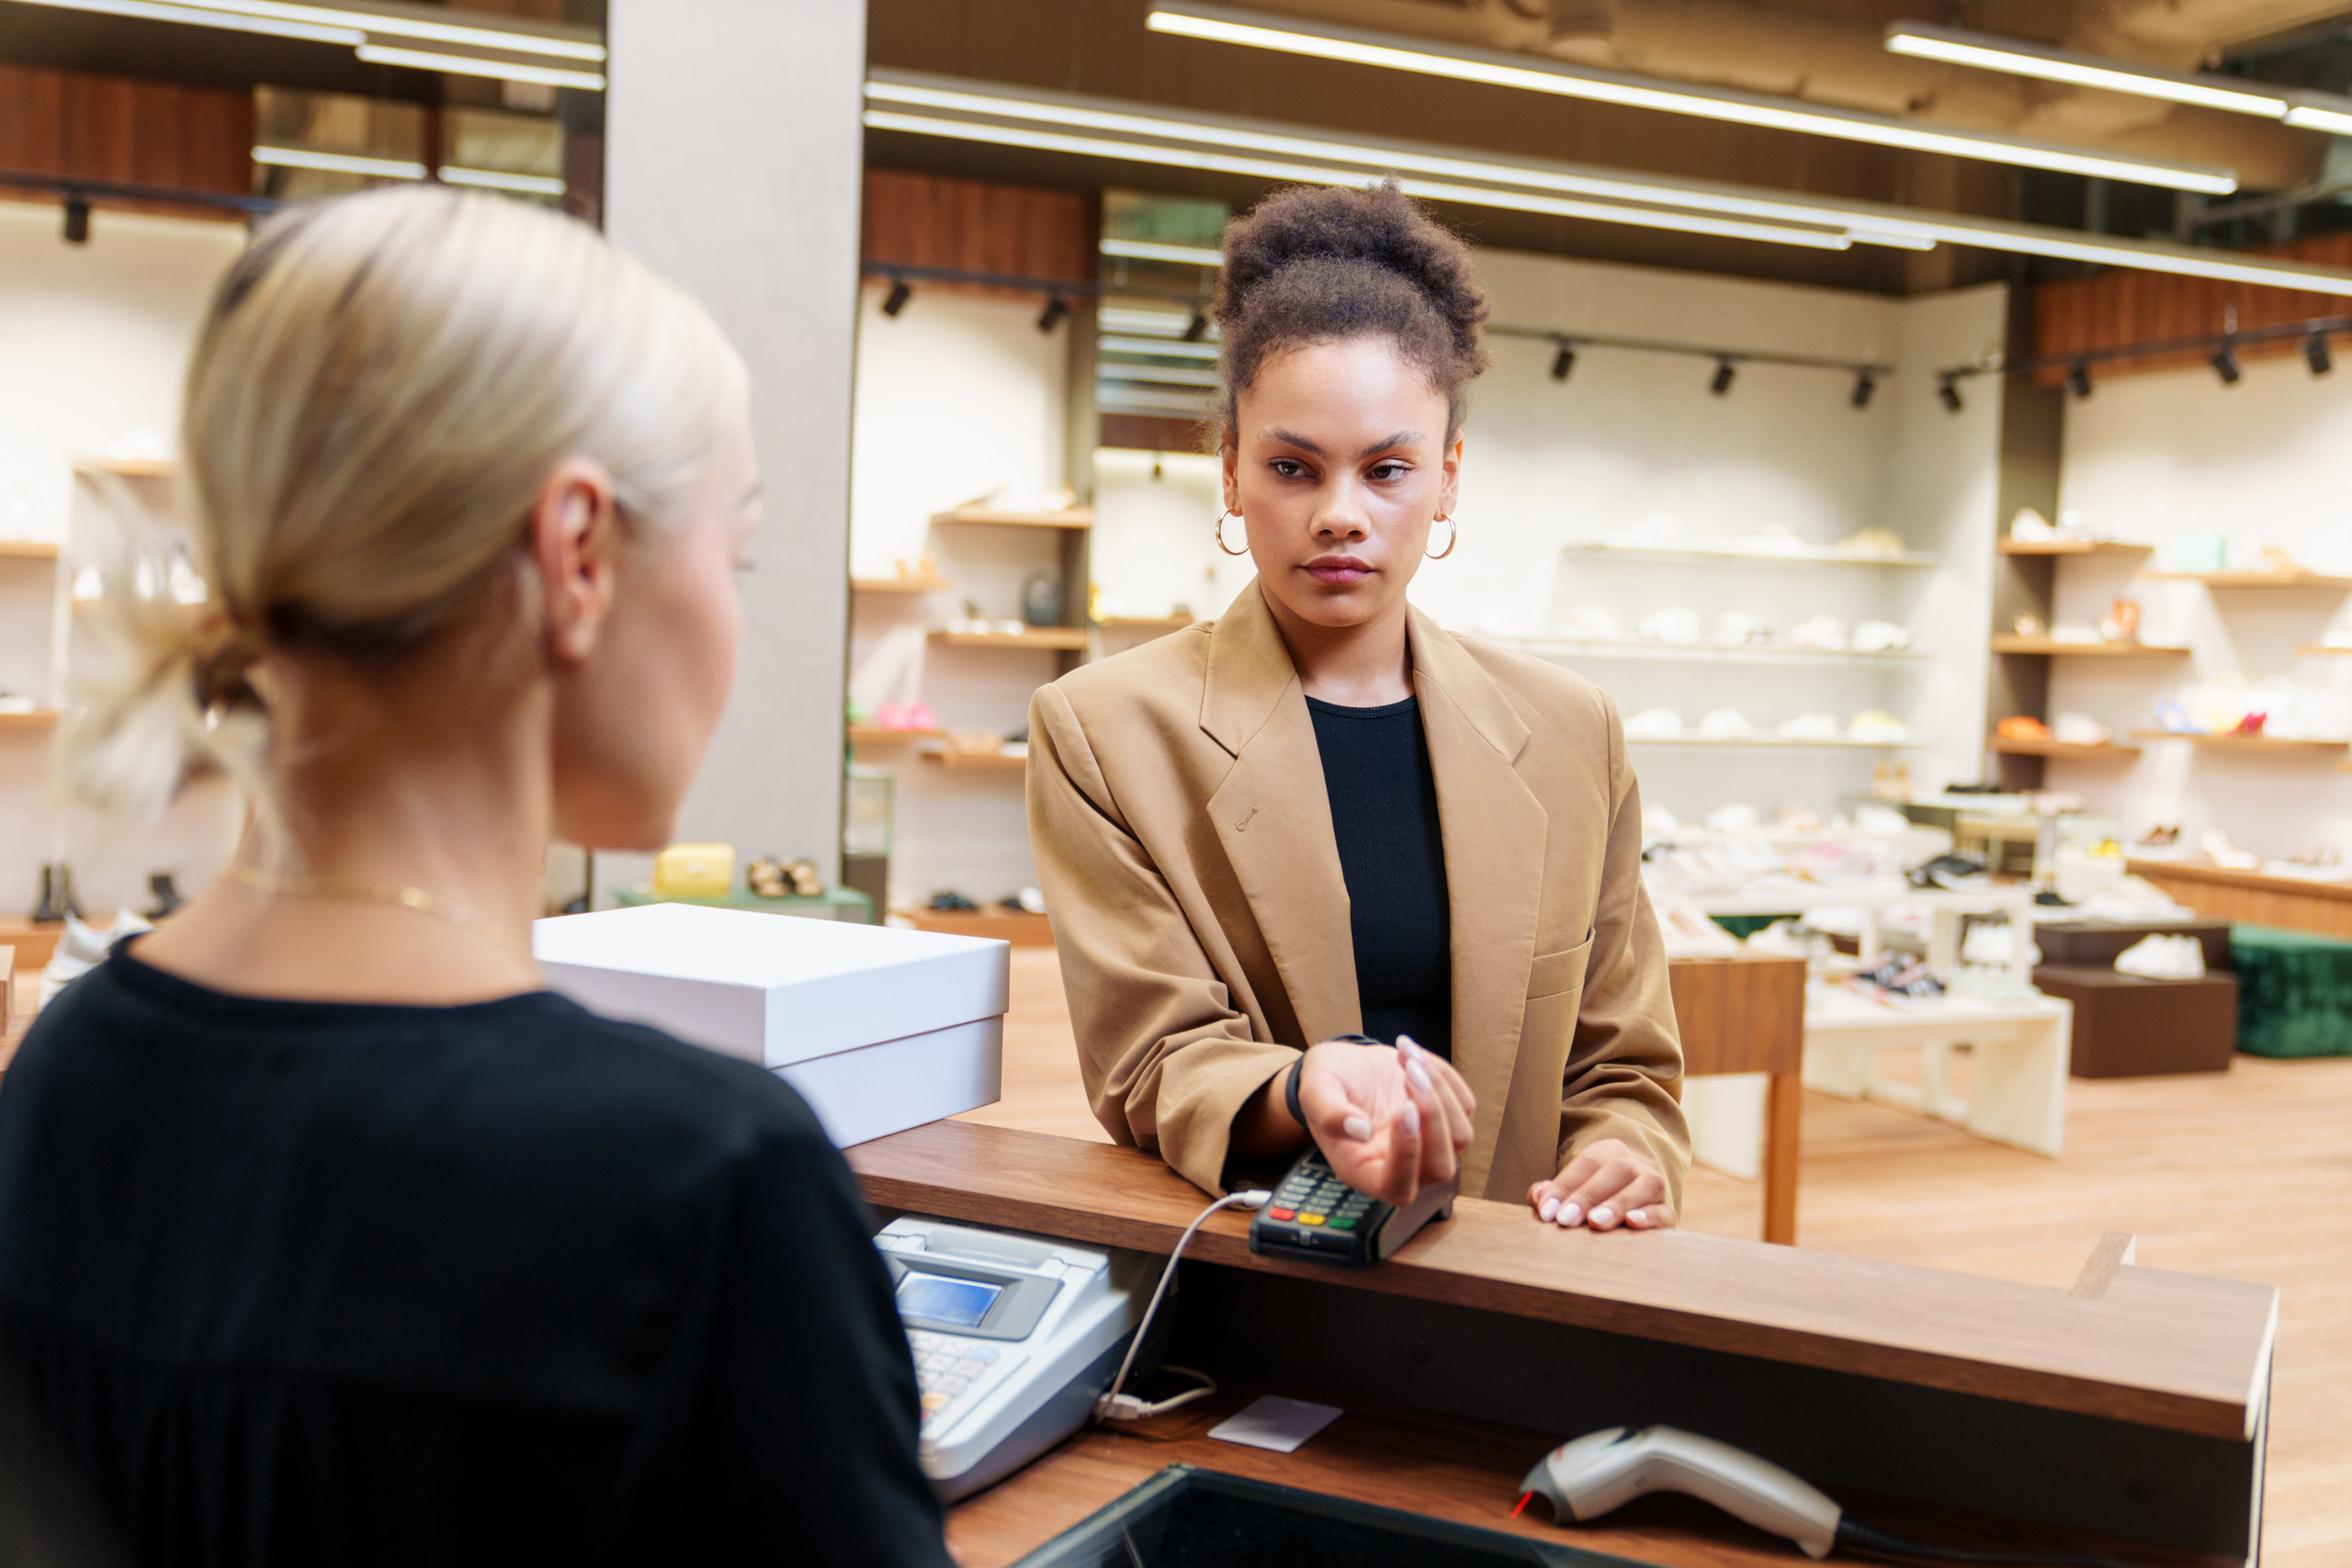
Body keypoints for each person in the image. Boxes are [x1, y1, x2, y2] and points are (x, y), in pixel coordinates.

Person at [0, 187, 953, 1566]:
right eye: (734, 552)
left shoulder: (64, 1068)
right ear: (576, 553)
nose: (736, 615)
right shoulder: (704, 1184)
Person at [1026, 184, 1689, 1231]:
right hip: (1259, 1279)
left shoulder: (1572, 733)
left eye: (1388, 470)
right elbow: (1152, 1061)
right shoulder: (1106, 732)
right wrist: (1299, 1086)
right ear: (1233, 474)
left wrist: (1624, 1151)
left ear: (1448, 479)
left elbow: (1622, 1065)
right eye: (1293, 467)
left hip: (1521, 1295)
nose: (1340, 516)